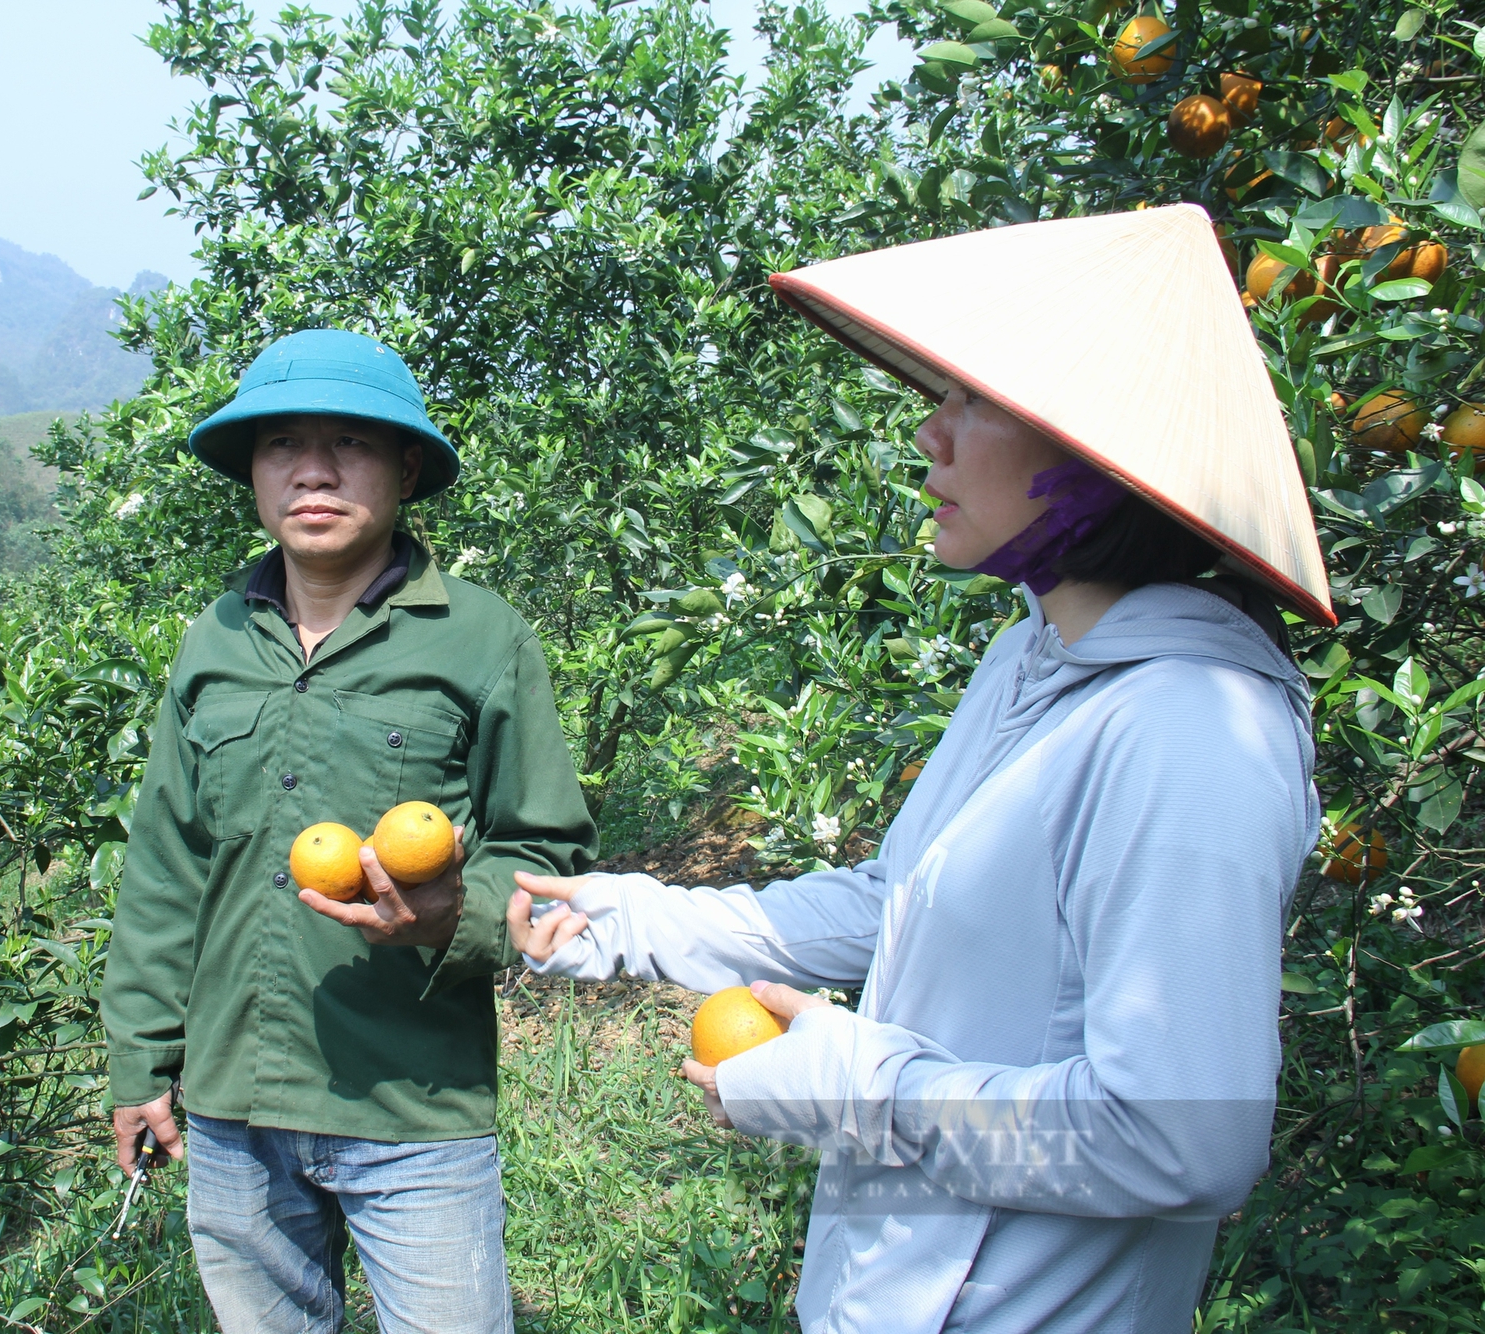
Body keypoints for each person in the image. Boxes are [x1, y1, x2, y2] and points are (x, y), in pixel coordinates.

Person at [507, 204, 1331, 1333]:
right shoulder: (1037, 654)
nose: (926, 435)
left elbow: (1183, 1139)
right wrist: (632, 919)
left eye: (970, 400)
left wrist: (863, 1089)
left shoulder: (1187, 727)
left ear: (1092, 453)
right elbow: (902, 899)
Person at [101, 328, 597, 1333]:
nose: (313, 470)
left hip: (410, 1102)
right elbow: (165, 866)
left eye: (351, 444)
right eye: (282, 443)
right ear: (251, 469)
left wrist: (453, 914)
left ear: (405, 467)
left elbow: (545, 852)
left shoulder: (479, 636)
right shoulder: (214, 640)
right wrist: (140, 1062)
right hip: (234, 1106)